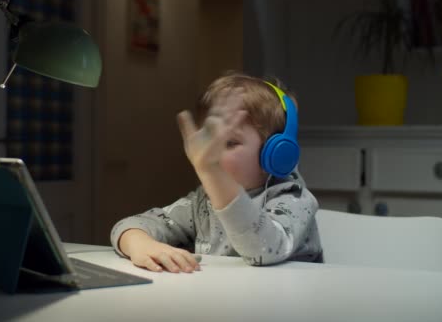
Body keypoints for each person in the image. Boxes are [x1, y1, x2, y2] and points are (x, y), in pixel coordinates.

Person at [110, 71, 322, 273]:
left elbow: (262, 248)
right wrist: (140, 244)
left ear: (275, 153)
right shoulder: (202, 204)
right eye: (208, 139)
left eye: (229, 142)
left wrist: (209, 169)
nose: (210, 152)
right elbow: (130, 224)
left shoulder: (294, 200)